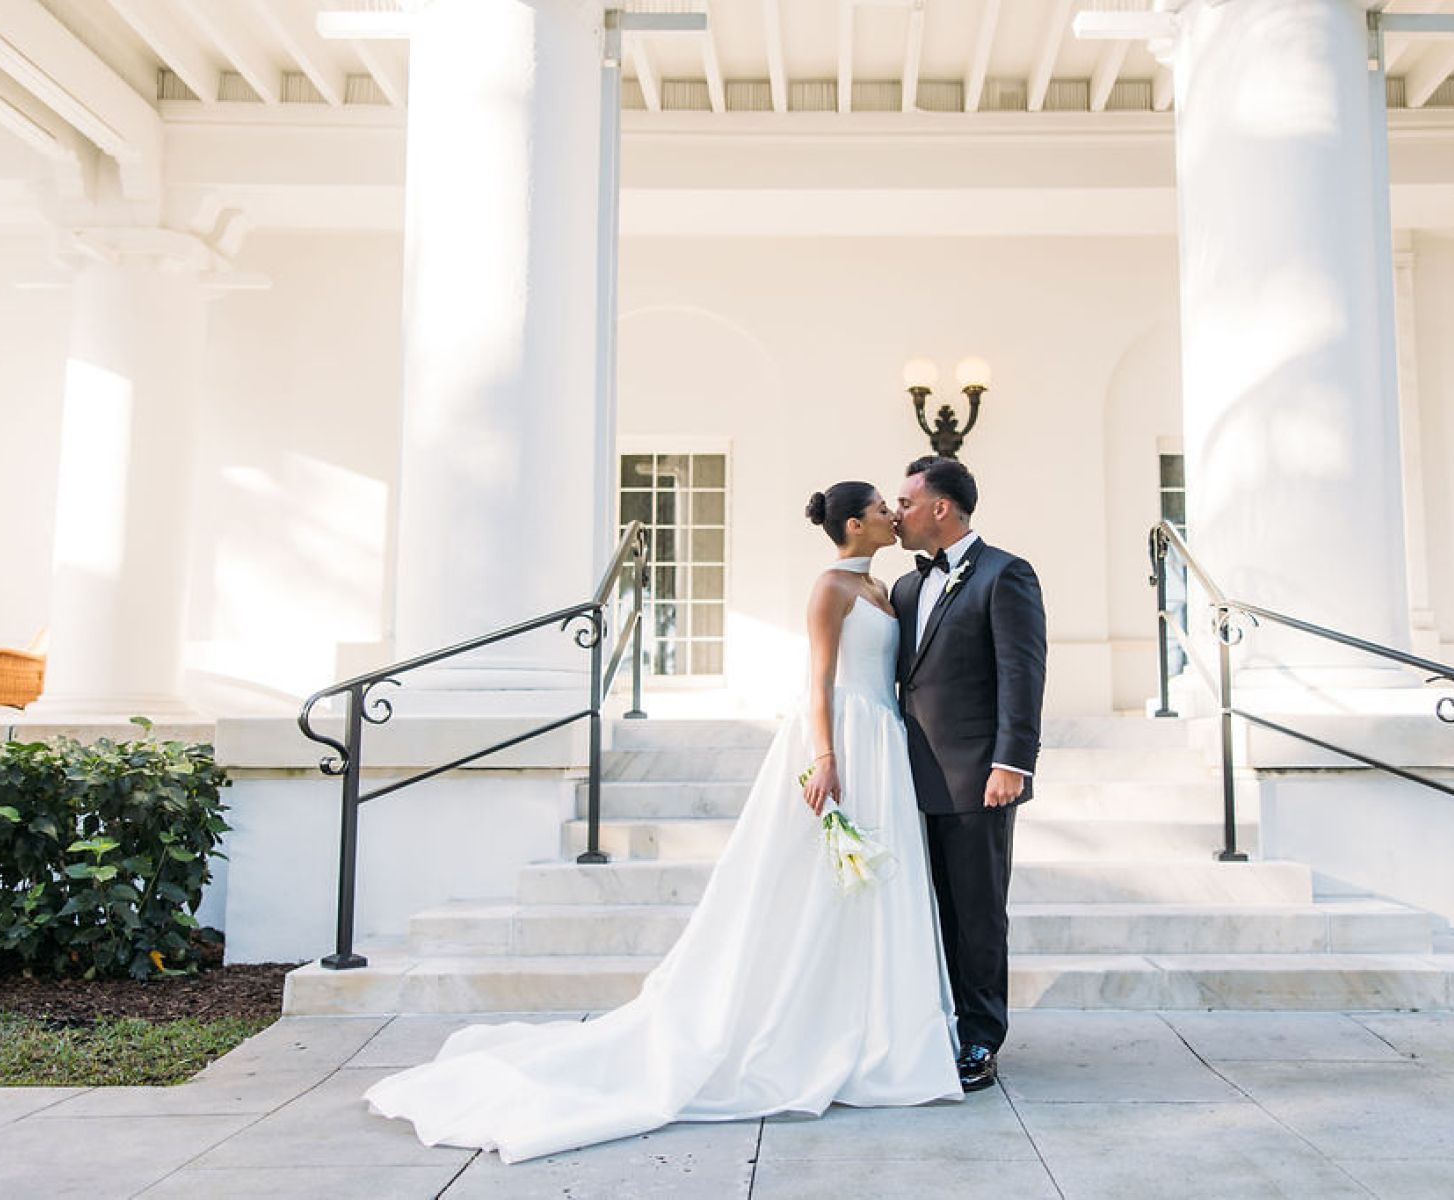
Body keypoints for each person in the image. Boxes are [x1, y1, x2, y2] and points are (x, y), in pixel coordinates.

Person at [363, 482, 960, 1162]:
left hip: (884, 741)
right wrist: (825, 757)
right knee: (814, 888)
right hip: (843, 740)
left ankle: (872, 1028)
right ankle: (804, 1031)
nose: (893, 514)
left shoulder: (884, 589)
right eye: (883, 507)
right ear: (854, 524)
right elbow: (818, 681)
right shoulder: (830, 587)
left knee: (870, 892)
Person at [890, 455, 1047, 1094]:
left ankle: (981, 1036)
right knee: (920, 914)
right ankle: (932, 1026)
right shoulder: (903, 588)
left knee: (977, 912)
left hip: (977, 776)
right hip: (904, 779)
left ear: (940, 508)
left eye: (904, 502)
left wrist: (1012, 762)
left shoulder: (1005, 575)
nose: (894, 514)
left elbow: (1022, 673)